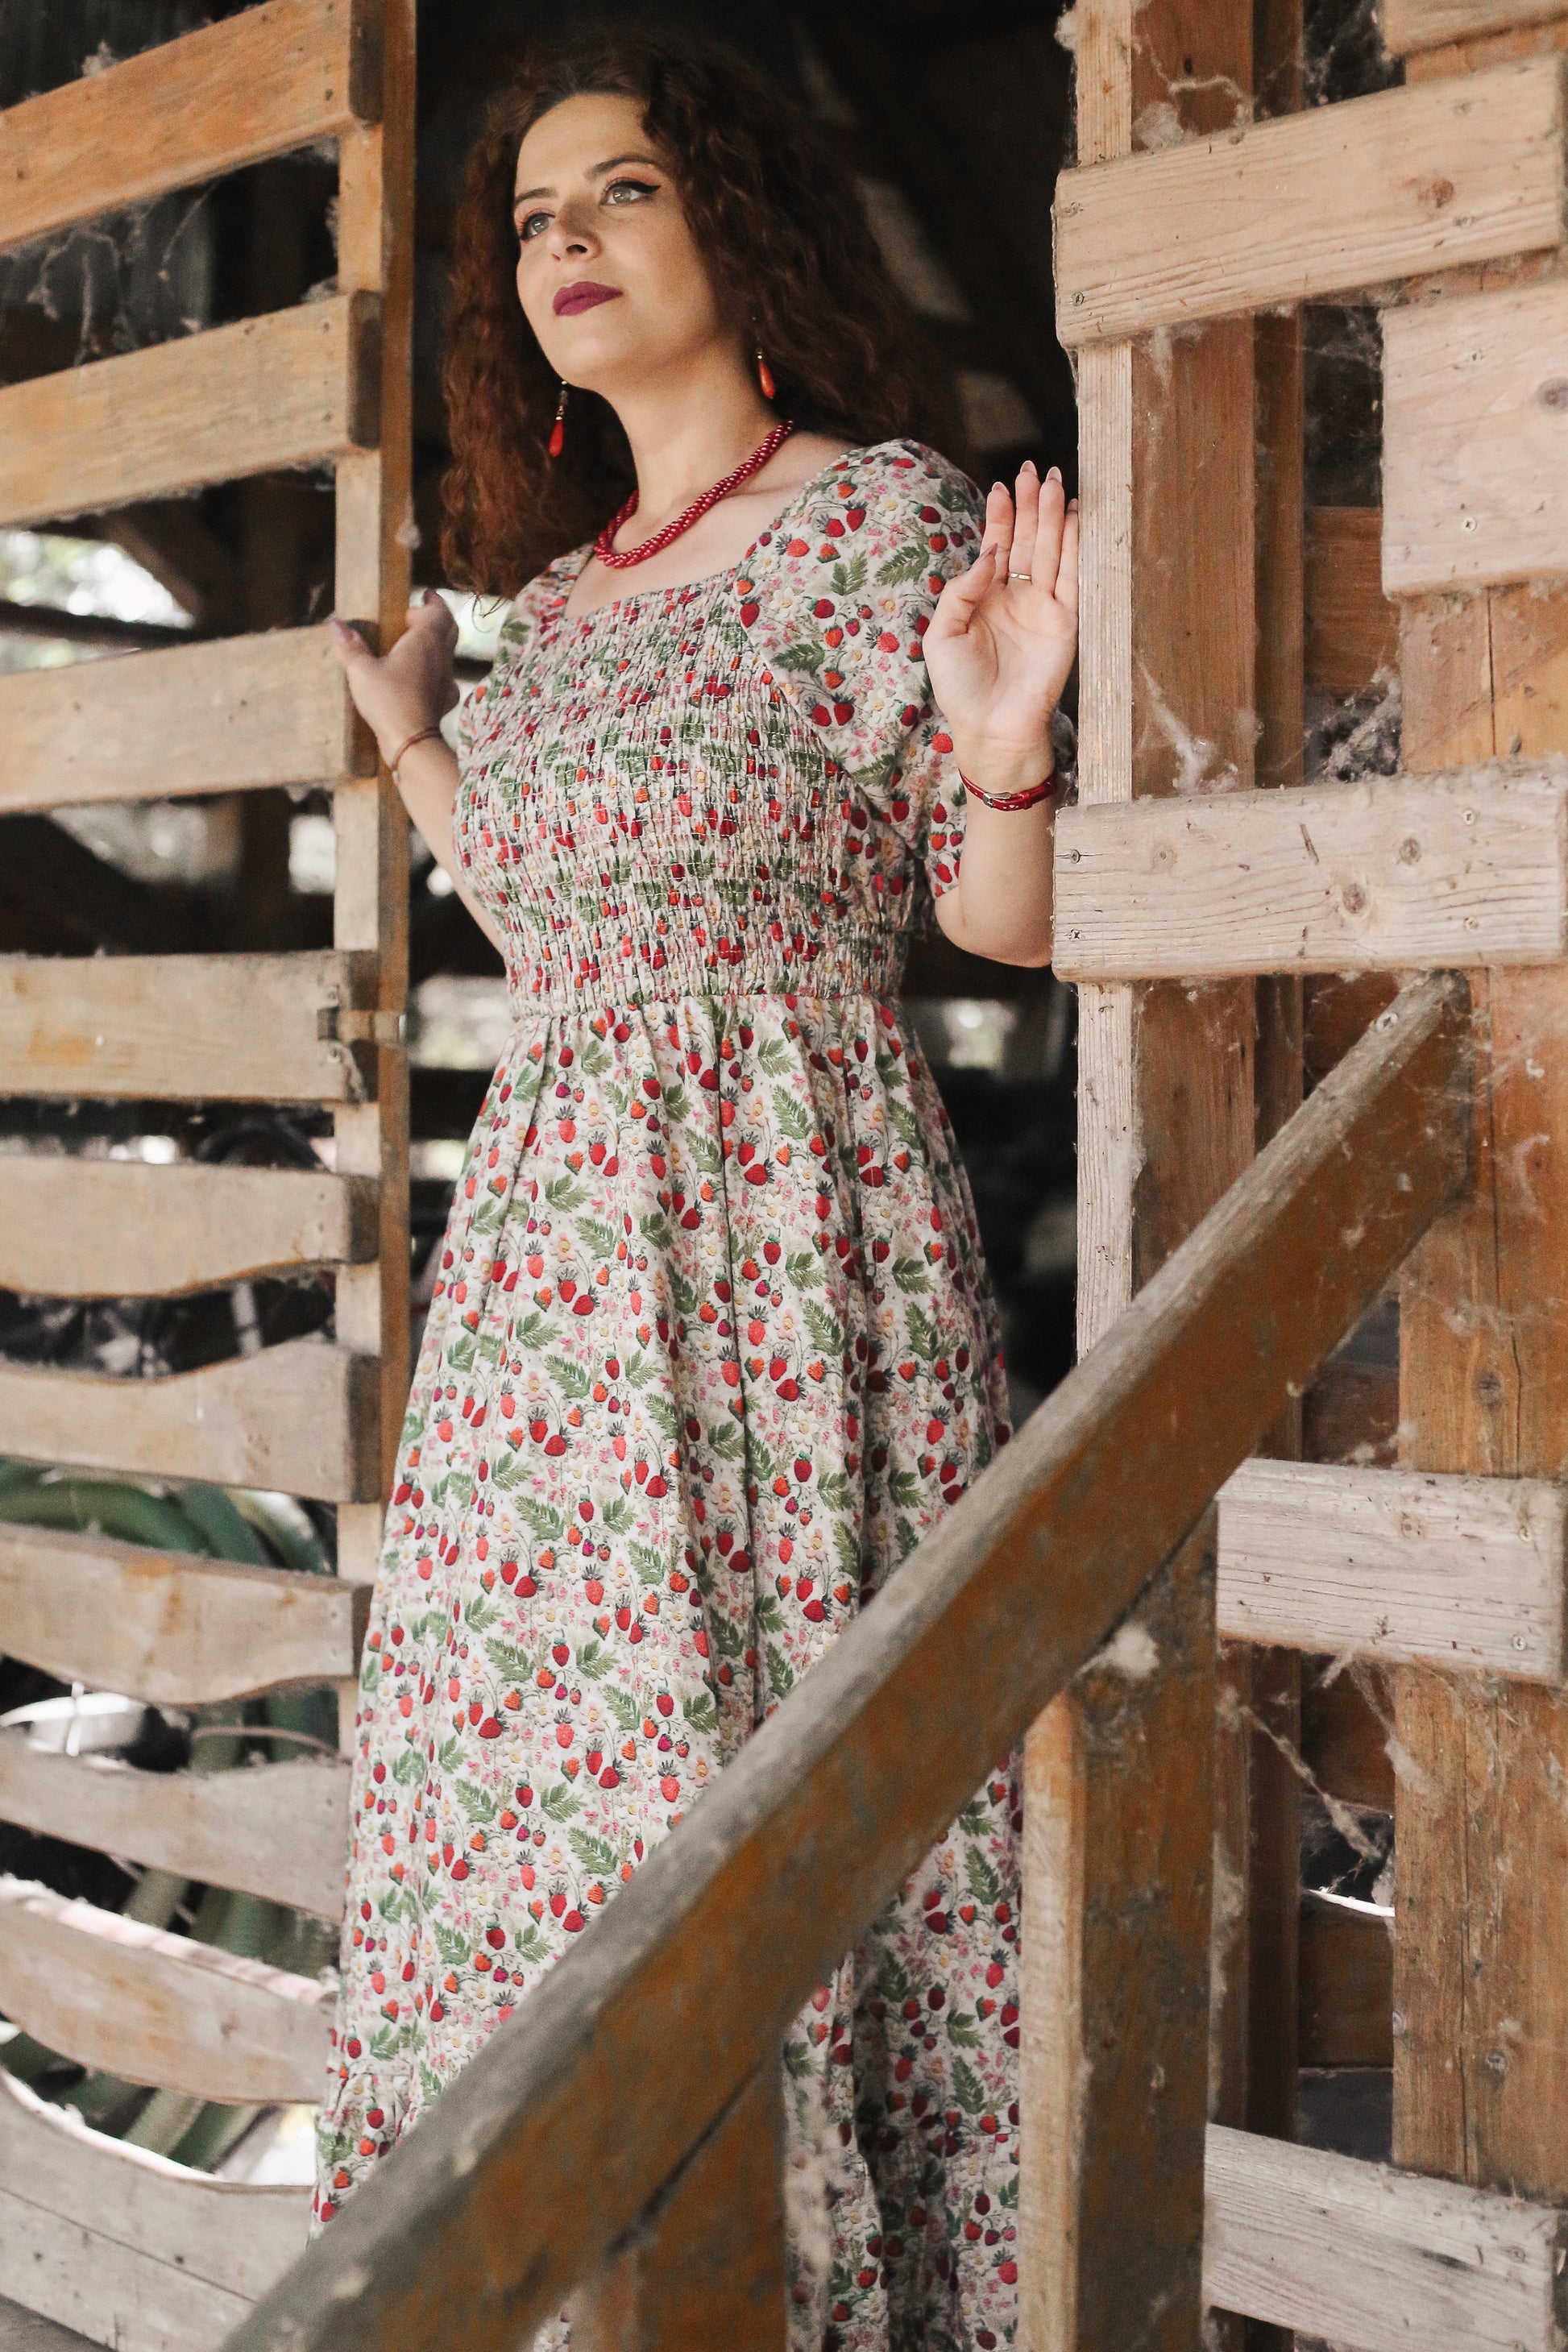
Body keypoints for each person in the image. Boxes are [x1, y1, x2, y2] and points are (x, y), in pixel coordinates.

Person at [317, 30, 1077, 2352]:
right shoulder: (548, 600)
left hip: (786, 1242)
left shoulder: (882, 522)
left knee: (775, 1791)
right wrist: (427, 733)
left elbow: (996, 925)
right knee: (540, 1796)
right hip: (548, 1303)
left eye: (616, 194)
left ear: (734, 233)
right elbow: (559, 919)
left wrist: (1010, 741)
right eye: (532, 219)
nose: (561, 244)